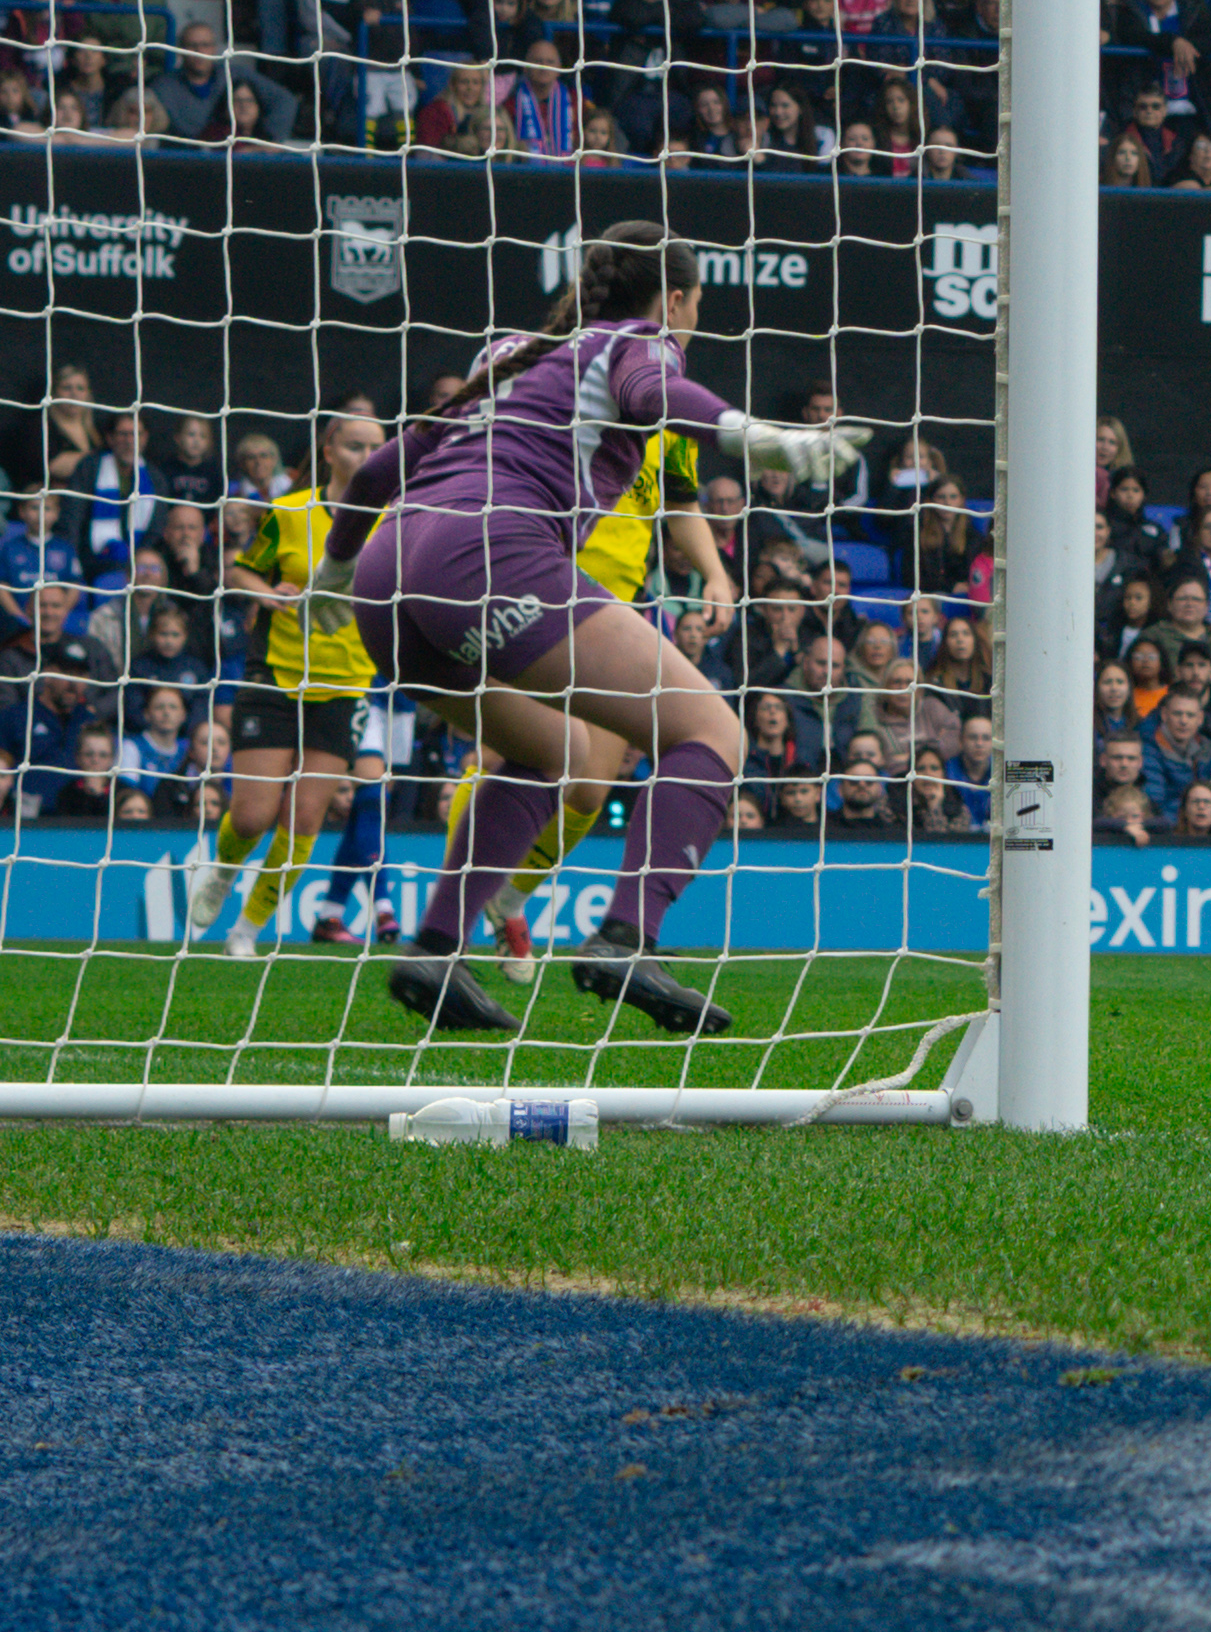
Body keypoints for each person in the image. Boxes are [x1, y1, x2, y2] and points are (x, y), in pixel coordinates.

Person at [347, 223, 859, 1038]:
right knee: (710, 729)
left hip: (387, 580)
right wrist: (755, 436)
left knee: (562, 752)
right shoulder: (639, 341)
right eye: (692, 307)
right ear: (680, 298)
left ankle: (435, 947)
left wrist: (337, 572)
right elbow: (655, 394)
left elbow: (378, 472)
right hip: (488, 555)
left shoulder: (509, 354)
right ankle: (627, 937)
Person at [444, 380, 728, 966]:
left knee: (589, 792)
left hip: (610, 616)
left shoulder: (674, 418)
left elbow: (681, 501)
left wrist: (717, 575)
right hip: (533, 596)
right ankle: (449, 927)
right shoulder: (567, 391)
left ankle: (510, 899)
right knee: (509, 763)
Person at [195, 407, 393, 956]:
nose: (368, 458)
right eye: (355, 446)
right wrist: (262, 591)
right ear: (328, 451)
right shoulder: (288, 511)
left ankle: (246, 932)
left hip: (347, 683)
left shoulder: (397, 521)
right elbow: (239, 569)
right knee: (253, 815)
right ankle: (222, 870)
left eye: (377, 448)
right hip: (277, 676)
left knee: (306, 817)